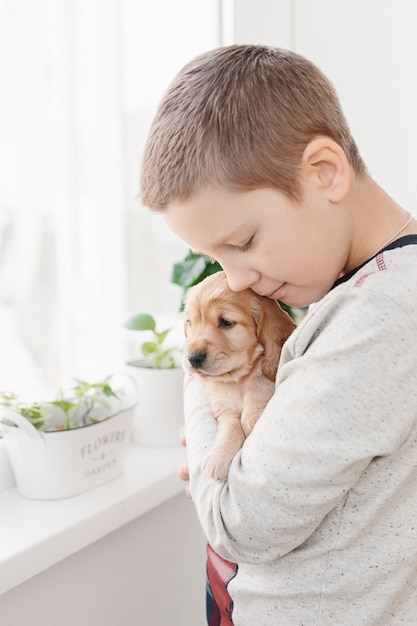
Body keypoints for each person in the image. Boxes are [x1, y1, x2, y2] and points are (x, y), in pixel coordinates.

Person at [139, 45, 417, 625]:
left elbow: (240, 521)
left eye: (241, 242)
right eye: (213, 257)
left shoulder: (381, 317)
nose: (235, 278)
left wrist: (211, 394)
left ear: (324, 172)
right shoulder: (356, 292)